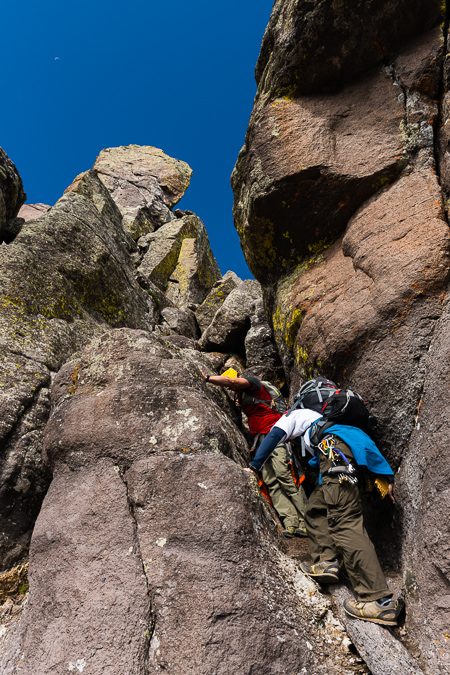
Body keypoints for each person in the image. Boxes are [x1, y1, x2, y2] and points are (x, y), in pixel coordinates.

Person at [245, 408, 403, 626]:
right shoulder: (336, 425)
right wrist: (384, 475)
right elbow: (362, 446)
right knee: (315, 509)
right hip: (346, 457)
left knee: (345, 523)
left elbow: (273, 436)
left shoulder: (294, 416)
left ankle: (378, 600)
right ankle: (327, 562)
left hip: (334, 453)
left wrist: (254, 467)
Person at [201, 369, 308, 538]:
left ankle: (307, 523)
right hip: (259, 441)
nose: (232, 388)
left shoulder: (255, 383)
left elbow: (232, 382)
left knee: (285, 477)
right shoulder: (242, 397)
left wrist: (207, 378)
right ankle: (291, 523)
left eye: (232, 383)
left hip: (276, 437)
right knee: (271, 481)